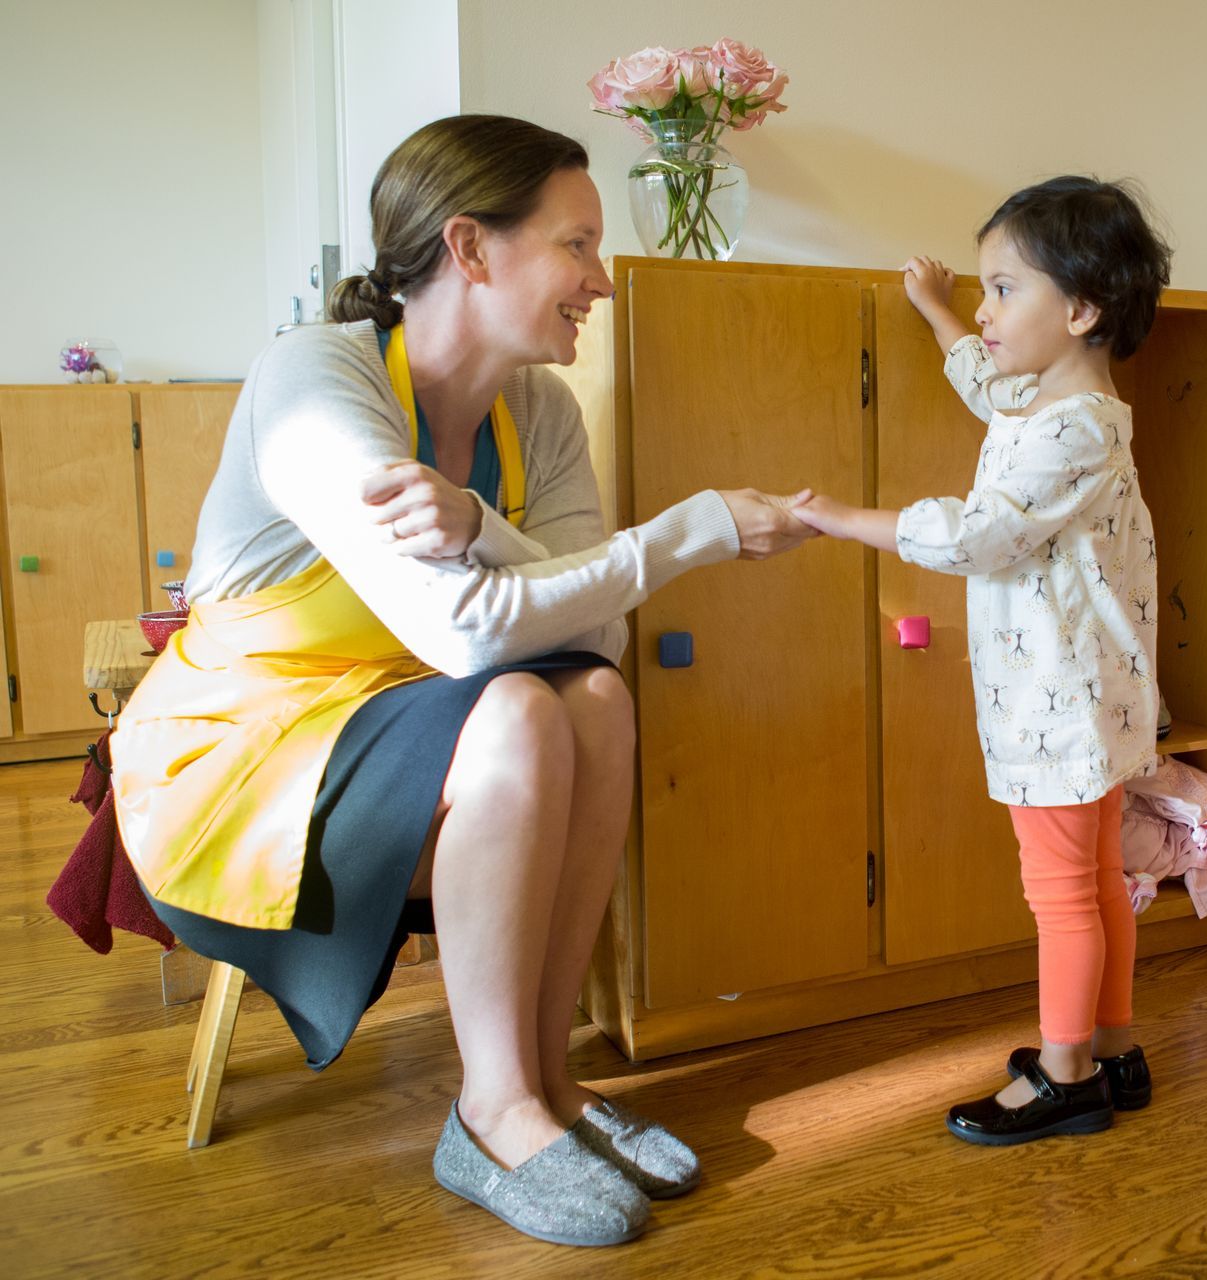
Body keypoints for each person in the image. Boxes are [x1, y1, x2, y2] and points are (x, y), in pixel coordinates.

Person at [107, 115, 813, 1246]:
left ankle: (547, 1084)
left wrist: (481, 521)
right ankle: (490, 1111)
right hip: (244, 754)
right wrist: (691, 531)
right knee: (519, 706)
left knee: (592, 699)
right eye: (577, 245)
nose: (602, 281)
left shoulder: (540, 412)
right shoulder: (313, 379)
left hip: (411, 714)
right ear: (471, 247)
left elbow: (598, 635)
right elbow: (472, 634)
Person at [790, 177, 1171, 1145]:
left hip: (1055, 708)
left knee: (1061, 892)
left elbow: (976, 535)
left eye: (1004, 289)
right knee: (1096, 878)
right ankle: (1114, 1048)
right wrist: (938, 310)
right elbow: (986, 382)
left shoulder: (1074, 431)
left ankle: (1066, 1076)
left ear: (1080, 310)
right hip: (1088, 702)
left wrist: (843, 518)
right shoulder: (1053, 403)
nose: (987, 311)